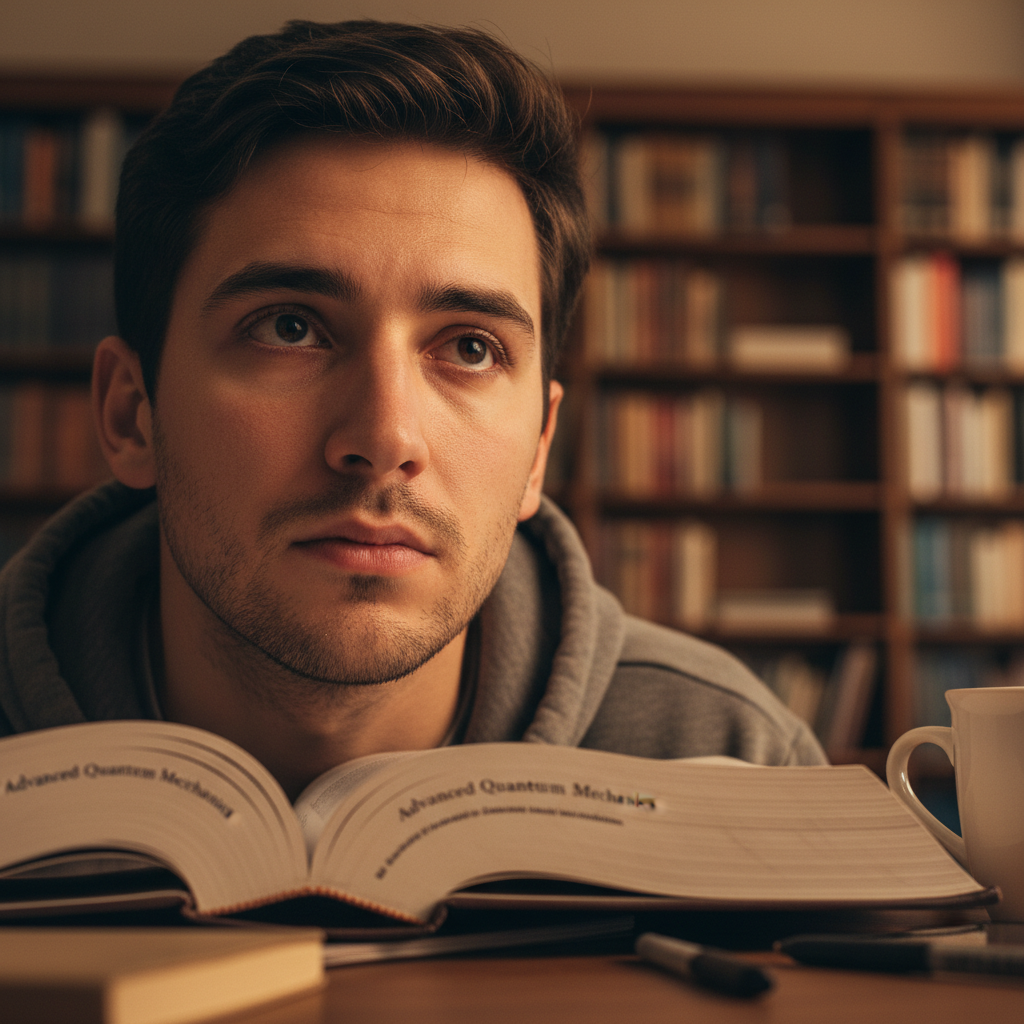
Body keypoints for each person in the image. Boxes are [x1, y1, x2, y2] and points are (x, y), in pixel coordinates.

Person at [0, 20, 825, 797]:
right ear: (130, 414)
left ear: (540, 446)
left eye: (470, 347)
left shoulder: (737, 761)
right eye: (291, 329)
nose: (385, 437)